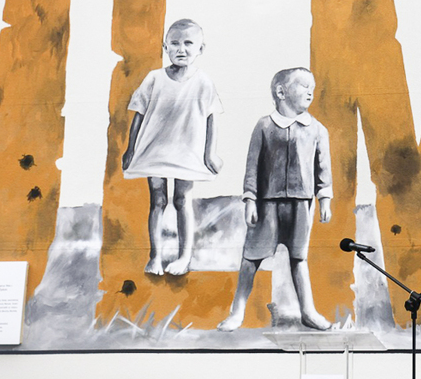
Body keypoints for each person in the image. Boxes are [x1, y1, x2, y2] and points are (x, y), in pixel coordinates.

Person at [219, 67, 333, 331]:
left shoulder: (317, 130)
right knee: (251, 259)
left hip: (301, 205)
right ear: (281, 92)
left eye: (312, 87)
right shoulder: (264, 126)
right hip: (267, 204)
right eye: (303, 86)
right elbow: (252, 165)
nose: (310, 92)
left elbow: (323, 168)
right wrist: (250, 199)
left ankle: (308, 312)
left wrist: (325, 198)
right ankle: (237, 312)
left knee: (299, 259)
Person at [122, 18, 223, 277]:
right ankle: (155, 256)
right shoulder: (154, 78)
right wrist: (130, 149)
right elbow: (138, 115)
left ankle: (184, 256)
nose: (181, 49)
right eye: (175, 43)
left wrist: (209, 153)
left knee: (182, 199)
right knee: (157, 200)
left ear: (200, 49)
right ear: (165, 47)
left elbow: (211, 117)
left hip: (187, 151)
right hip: (155, 150)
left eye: (188, 43)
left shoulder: (203, 82)